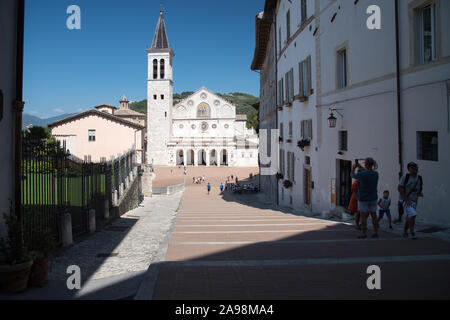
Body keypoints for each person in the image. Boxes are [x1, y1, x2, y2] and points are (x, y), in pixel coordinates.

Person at [351, 157, 379, 239]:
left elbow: (352, 175)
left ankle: (364, 233)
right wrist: (359, 166)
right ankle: (375, 232)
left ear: (366, 164)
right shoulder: (376, 174)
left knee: (363, 217)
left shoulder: (362, 174)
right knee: (374, 216)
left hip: (363, 198)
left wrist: (353, 168)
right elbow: (367, 171)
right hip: (373, 197)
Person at [398, 162, 423, 239]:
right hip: (406, 199)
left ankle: (405, 231)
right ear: (408, 169)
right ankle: (412, 232)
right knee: (412, 214)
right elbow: (399, 188)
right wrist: (406, 199)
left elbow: (419, 188)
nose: (414, 169)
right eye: (412, 168)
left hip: (414, 200)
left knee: (410, 216)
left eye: (415, 167)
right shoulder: (405, 177)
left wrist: (419, 193)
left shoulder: (419, 178)